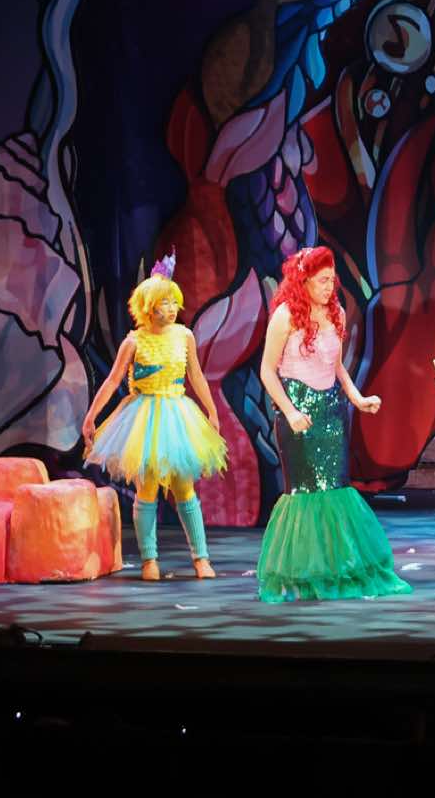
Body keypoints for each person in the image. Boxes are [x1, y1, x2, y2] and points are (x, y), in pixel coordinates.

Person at [253, 246, 411, 602]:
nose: (329, 287)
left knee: (335, 489)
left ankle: (336, 568)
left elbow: (337, 368)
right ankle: (305, 573)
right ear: (304, 281)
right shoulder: (285, 316)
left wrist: (358, 399)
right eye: (322, 280)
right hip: (298, 412)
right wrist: (290, 412)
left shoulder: (336, 312)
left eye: (331, 280)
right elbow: (267, 370)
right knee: (307, 493)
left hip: (331, 412)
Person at [82, 253, 227, 580]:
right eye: (164, 303)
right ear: (148, 307)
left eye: (174, 302)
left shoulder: (184, 336)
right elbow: (112, 381)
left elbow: (197, 376)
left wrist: (212, 411)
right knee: (147, 489)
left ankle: (201, 558)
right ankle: (149, 560)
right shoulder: (134, 341)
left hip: (176, 414)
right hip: (145, 418)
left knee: (184, 487)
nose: (172, 308)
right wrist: (91, 416)